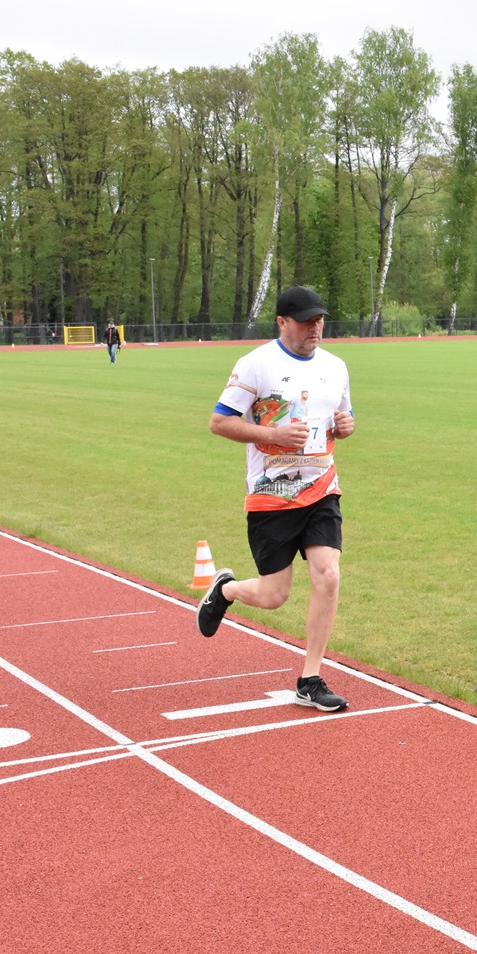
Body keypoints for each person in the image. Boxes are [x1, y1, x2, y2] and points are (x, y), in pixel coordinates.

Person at [195, 285, 356, 711]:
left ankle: (310, 679)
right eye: (305, 321)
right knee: (274, 595)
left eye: (318, 320)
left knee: (328, 576)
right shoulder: (256, 364)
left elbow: (343, 415)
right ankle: (226, 591)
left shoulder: (336, 366)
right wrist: (274, 435)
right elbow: (219, 422)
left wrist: (346, 425)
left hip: (322, 486)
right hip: (272, 493)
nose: (314, 328)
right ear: (282, 322)